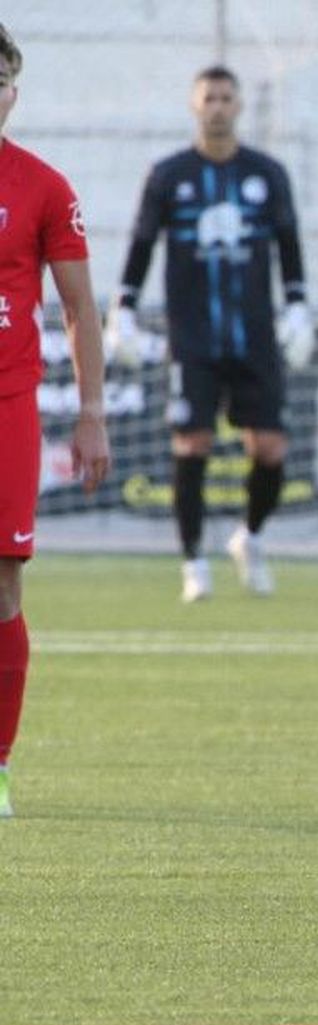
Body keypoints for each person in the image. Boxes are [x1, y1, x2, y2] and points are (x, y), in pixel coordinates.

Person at [105, 65, 314, 603]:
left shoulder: (267, 173)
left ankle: (252, 537)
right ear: (195, 107)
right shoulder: (168, 175)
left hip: (254, 337)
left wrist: (297, 304)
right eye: (209, 98)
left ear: (239, 105)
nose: (218, 106)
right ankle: (194, 561)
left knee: (268, 448)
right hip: (192, 339)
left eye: (226, 97)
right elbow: (143, 244)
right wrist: (123, 306)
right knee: (192, 443)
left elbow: (288, 243)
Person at [0, 22, 112, 818]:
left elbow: (78, 308)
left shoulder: (42, 186)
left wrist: (93, 413)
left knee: (1, 583)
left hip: (7, 405)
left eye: (2, 78)